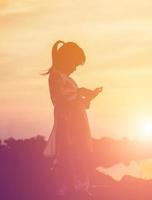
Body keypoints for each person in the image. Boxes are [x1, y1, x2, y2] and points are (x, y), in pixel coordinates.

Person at [42, 40, 102, 197]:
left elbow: (75, 102)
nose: (75, 69)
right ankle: (71, 189)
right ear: (66, 59)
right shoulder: (56, 76)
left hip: (77, 122)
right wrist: (81, 91)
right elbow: (62, 99)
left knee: (79, 153)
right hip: (67, 123)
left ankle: (80, 187)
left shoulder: (65, 78)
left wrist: (88, 97)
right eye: (74, 64)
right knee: (69, 153)